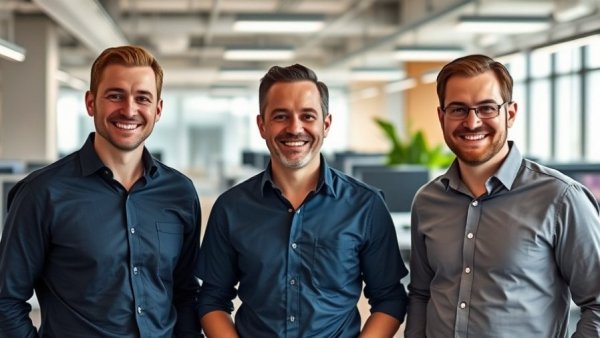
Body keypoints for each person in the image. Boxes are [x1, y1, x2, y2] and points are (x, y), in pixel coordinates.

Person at [0, 45, 203, 337]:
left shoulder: (180, 192)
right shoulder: (42, 193)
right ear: (91, 102)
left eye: (142, 98)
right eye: (115, 95)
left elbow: (184, 293)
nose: (129, 109)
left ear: (157, 110)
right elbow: (6, 300)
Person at [196, 64, 408, 337]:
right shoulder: (230, 208)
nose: (295, 128)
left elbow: (389, 298)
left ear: (326, 124)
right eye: (281, 116)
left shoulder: (365, 206)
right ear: (262, 125)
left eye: (307, 116)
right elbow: (212, 299)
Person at [405, 54, 600, 337]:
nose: (472, 123)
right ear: (441, 116)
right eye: (458, 109)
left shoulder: (561, 198)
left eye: (486, 108)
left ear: (510, 113)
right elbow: (421, 294)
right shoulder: (428, 201)